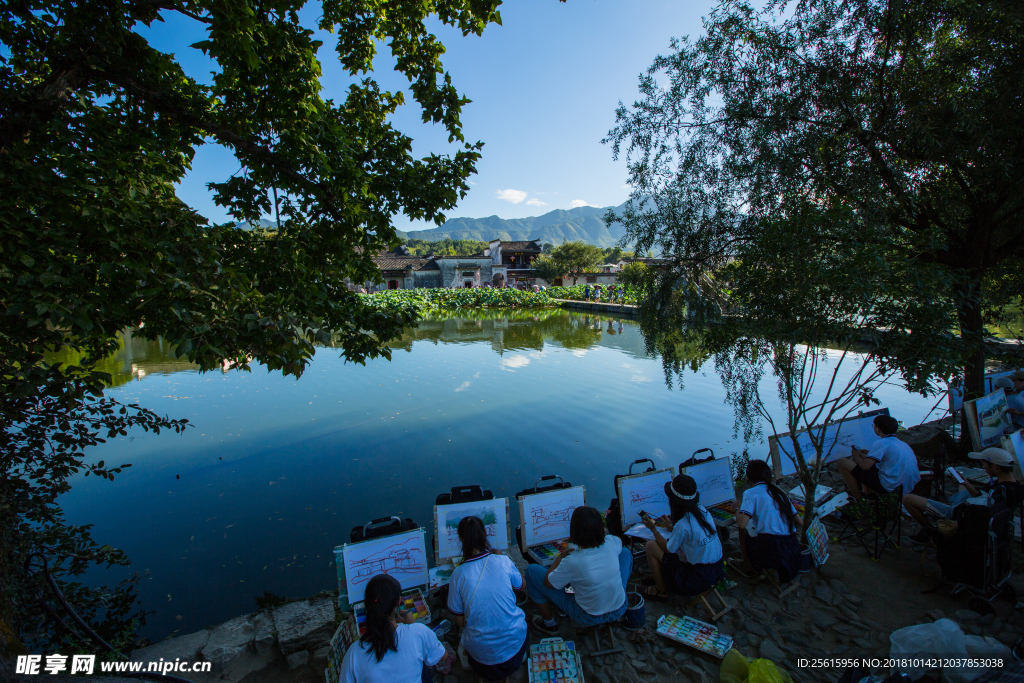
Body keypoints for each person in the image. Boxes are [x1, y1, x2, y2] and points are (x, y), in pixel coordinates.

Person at [525, 506, 631, 635]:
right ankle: (613, 594)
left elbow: (548, 583)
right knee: (625, 553)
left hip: (588, 616)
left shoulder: (573, 561)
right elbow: (619, 541)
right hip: (619, 608)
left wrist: (561, 557)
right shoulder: (611, 542)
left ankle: (549, 624)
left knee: (531, 571)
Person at [447, 516, 528, 682]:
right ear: (485, 534)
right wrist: (506, 559)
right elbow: (522, 585)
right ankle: (518, 657)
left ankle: (480, 671)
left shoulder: (458, 574)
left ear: (462, 540)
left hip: (481, 659)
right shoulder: (503, 561)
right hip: (515, 646)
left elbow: (460, 622)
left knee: (466, 644)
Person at [339, 574, 454, 683]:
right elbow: (443, 656)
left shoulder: (353, 654)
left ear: (365, 604)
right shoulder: (418, 632)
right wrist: (412, 626)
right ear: (399, 602)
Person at [903, 447, 1023, 541]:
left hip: (957, 515)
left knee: (907, 499)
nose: (985, 469)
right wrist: (965, 483)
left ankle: (931, 531)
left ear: (995, 467)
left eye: (985, 466)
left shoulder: (997, 492)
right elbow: (979, 496)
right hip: (975, 519)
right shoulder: (1014, 486)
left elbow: (976, 510)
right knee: (962, 489)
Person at [641, 474, 725, 600]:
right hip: (717, 570)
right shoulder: (702, 511)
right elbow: (690, 533)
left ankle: (660, 590)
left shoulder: (682, 525)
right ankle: (658, 576)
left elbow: (668, 549)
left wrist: (653, 528)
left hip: (696, 579)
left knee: (651, 546)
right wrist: (672, 527)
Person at [736, 460, 802, 583]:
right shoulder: (779, 492)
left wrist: (737, 508)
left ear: (749, 476)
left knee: (744, 531)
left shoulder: (750, 493)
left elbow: (741, 523)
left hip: (772, 551)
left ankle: (748, 567)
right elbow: (798, 520)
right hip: (792, 548)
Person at [836, 414, 920, 500]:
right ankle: (868, 493)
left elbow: (864, 466)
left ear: (878, 429)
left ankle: (859, 498)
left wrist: (855, 455)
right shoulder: (902, 444)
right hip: (908, 485)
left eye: (874, 426)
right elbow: (886, 458)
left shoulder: (881, 443)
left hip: (889, 487)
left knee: (842, 462)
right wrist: (867, 454)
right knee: (870, 465)